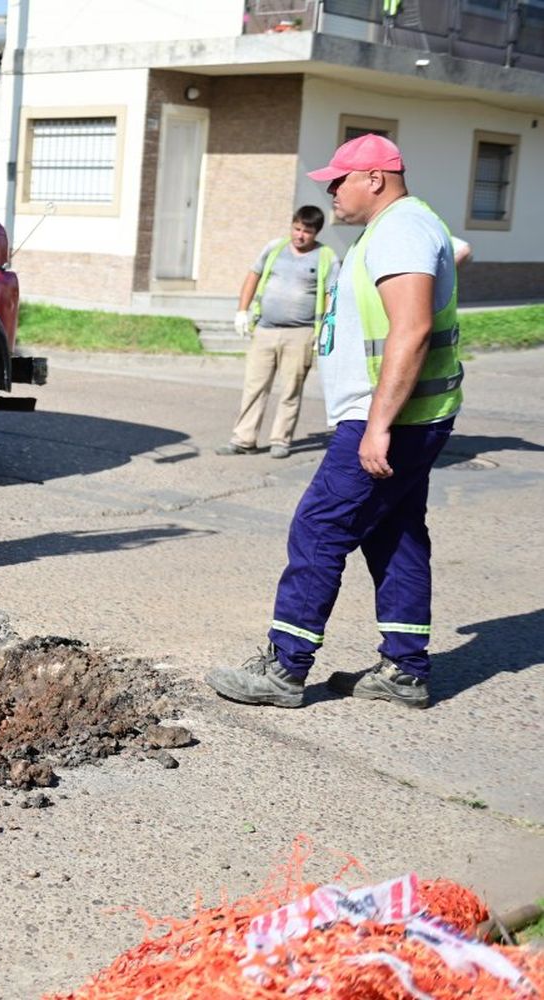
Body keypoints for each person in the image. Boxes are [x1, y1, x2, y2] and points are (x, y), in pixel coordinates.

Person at [206, 133, 463, 710]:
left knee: (320, 527)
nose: (330, 192)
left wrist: (377, 425)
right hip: (402, 417)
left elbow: (412, 328)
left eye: (338, 180)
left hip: (388, 419)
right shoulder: (399, 228)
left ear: (375, 177)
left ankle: (285, 668)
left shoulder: (400, 230)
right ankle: (404, 669)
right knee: (392, 533)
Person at [216, 207, 339, 460]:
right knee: (254, 386)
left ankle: (280, 440)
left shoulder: (326, 257)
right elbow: (253, 276)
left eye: (307, 231)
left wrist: (325, 329)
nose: (300, 235)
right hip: (265, 329)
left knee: (290, 389)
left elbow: (331, 295)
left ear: (316, 232)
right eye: (297, 229)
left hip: (301, 333)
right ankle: (243, 439)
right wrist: (242, 311)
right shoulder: (274, 248)